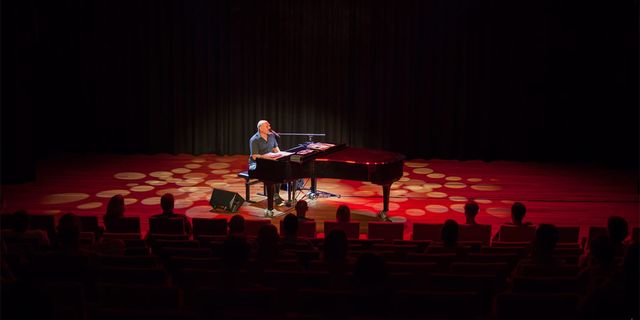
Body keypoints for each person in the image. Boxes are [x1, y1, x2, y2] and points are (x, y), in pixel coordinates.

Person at [249, 119, 284, 204]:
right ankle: (274, 195)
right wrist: (266, 157)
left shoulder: (271, 136)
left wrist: (282, 155)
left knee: (280, 170)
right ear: (260, 128)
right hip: (257, 163)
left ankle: (276, 194)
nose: (269, 127)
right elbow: (254, 156)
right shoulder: (254, 139)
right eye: (267, 126)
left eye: (269, 125)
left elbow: (276, 149)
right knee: (273, 172)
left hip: (270, 162)